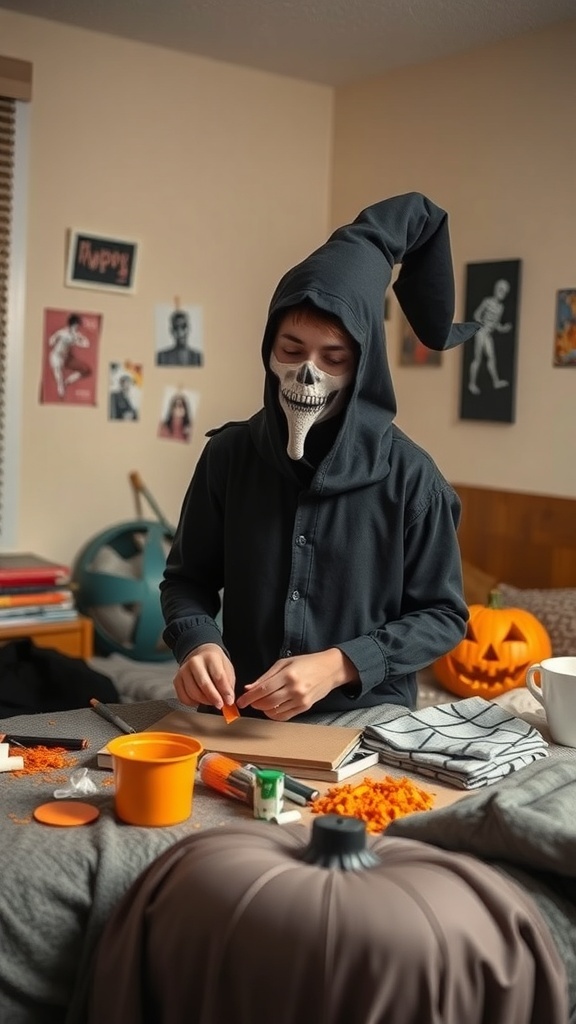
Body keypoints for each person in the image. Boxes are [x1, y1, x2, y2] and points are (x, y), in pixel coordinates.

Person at [160, 192, 478, 727]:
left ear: (364, 368)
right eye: (291, 349)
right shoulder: (228, 456)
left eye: (334, 359)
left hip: (367, 722)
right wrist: (197, 642)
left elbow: (444, 617)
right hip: (243, 720)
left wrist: (341, 664)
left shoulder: (414, 480)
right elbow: (185, 580)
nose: (308, 373)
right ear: (268, 348)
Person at [468, 279, 512, 394]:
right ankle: (472, 384)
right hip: (481, 332)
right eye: (500, 290)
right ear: (496, 289)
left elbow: (496, 324)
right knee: (478, 358)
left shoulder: (500, 308)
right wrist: (482, 324)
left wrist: (504, 328)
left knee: (491, 358)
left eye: (504, 292)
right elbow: (476, 314)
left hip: (488, 334)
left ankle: (496, 381)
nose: (502, 293)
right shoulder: (487, 301)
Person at [48, 313, 92, 398]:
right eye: (76, 326)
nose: (77, 328)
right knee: (58, 371)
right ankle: (60, 386)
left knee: (85, 370)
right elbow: (52, 339)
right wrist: (53, 340)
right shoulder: (63, 332)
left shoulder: (76, 335)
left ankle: (67, 382)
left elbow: (86, 344)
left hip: (66, 358)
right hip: (56, 355)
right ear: (73, 325)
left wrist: (79, 340)